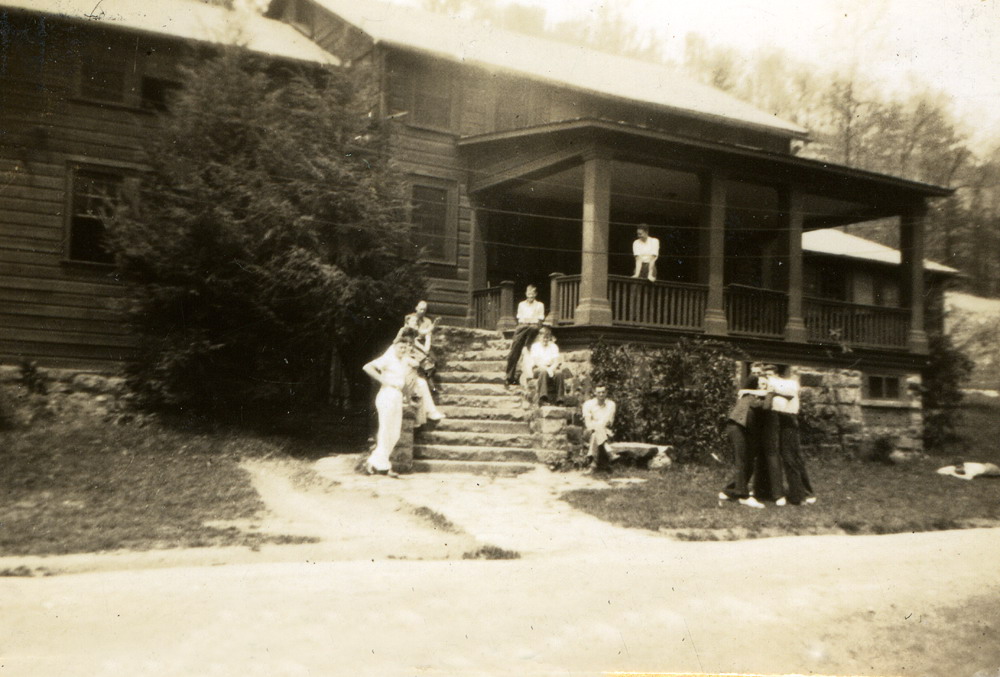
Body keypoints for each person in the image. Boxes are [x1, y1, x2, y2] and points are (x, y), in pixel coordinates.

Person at [361, 332, 417, 476]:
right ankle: (383, 466)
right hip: (387, 394)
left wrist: (409, 399)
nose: (403, 350)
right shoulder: (388, 358)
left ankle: (374, 462)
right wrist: (383, 380)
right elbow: (367, 367)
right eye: (400, 347)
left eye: (405, 348)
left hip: (397, 396)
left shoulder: (403, 362)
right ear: (394, 347)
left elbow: (404, 384)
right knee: (386, 430)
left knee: (395, 433)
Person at [764, 365, 816, 506]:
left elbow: (782, 395)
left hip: (786, 417)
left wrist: (774, 392)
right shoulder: (786, 381)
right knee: (783, 455)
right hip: (778, 416)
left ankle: (799, 493)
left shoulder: (788, 382)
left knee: (789, 456)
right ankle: (794, 493)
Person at [719, 363, 768, 508]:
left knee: (749, 462)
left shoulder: (762, 398)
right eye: (762, 383)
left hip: (746, 430)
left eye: (765, 384)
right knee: (741, 460)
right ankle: (743, 496)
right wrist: (758, 376)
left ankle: (729, 491)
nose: (763, 386)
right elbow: (750, 382)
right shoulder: (748, 393)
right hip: (736, 427)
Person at [505, 284, 545, 387]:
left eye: (532, 293)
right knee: (514, 351)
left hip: (533, 327)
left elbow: (539, 320)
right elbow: (520, 319)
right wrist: (529, 321)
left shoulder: (539, 305)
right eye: (528, 293)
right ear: (526, 293)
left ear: (535, 294)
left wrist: (530, 321)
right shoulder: (521, 305)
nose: (530, 295)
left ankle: (527, 345)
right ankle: (509, 377)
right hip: (522, 327)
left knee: (533, 328)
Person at [582, 385, 616, 473]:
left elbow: (608, 422)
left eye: (603, 392)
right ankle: (609, 450)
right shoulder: (588, 404)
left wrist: (597, 425)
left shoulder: (611, 404)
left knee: (595, 435)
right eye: (599, 392)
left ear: (606, 393)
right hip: (589, 431)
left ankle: (593, 465)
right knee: (595, 431)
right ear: (595, 393)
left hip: (606, 431)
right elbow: (588, 423)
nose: (601, 394)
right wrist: (597, 426)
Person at [527, 326, 565, 404]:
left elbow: (556, 361)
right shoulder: (535, 346)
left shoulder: (553, 346)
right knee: (544, 372)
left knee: (559, 373)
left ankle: (560, 399)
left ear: (549, 338)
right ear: (539, 337)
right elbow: (536, 362)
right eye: (543, 337)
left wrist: (551, 369)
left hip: (551, 367)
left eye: (547, 338)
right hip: (539, 368)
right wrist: (547, 369)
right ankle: (543, 398)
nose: (545, 340)